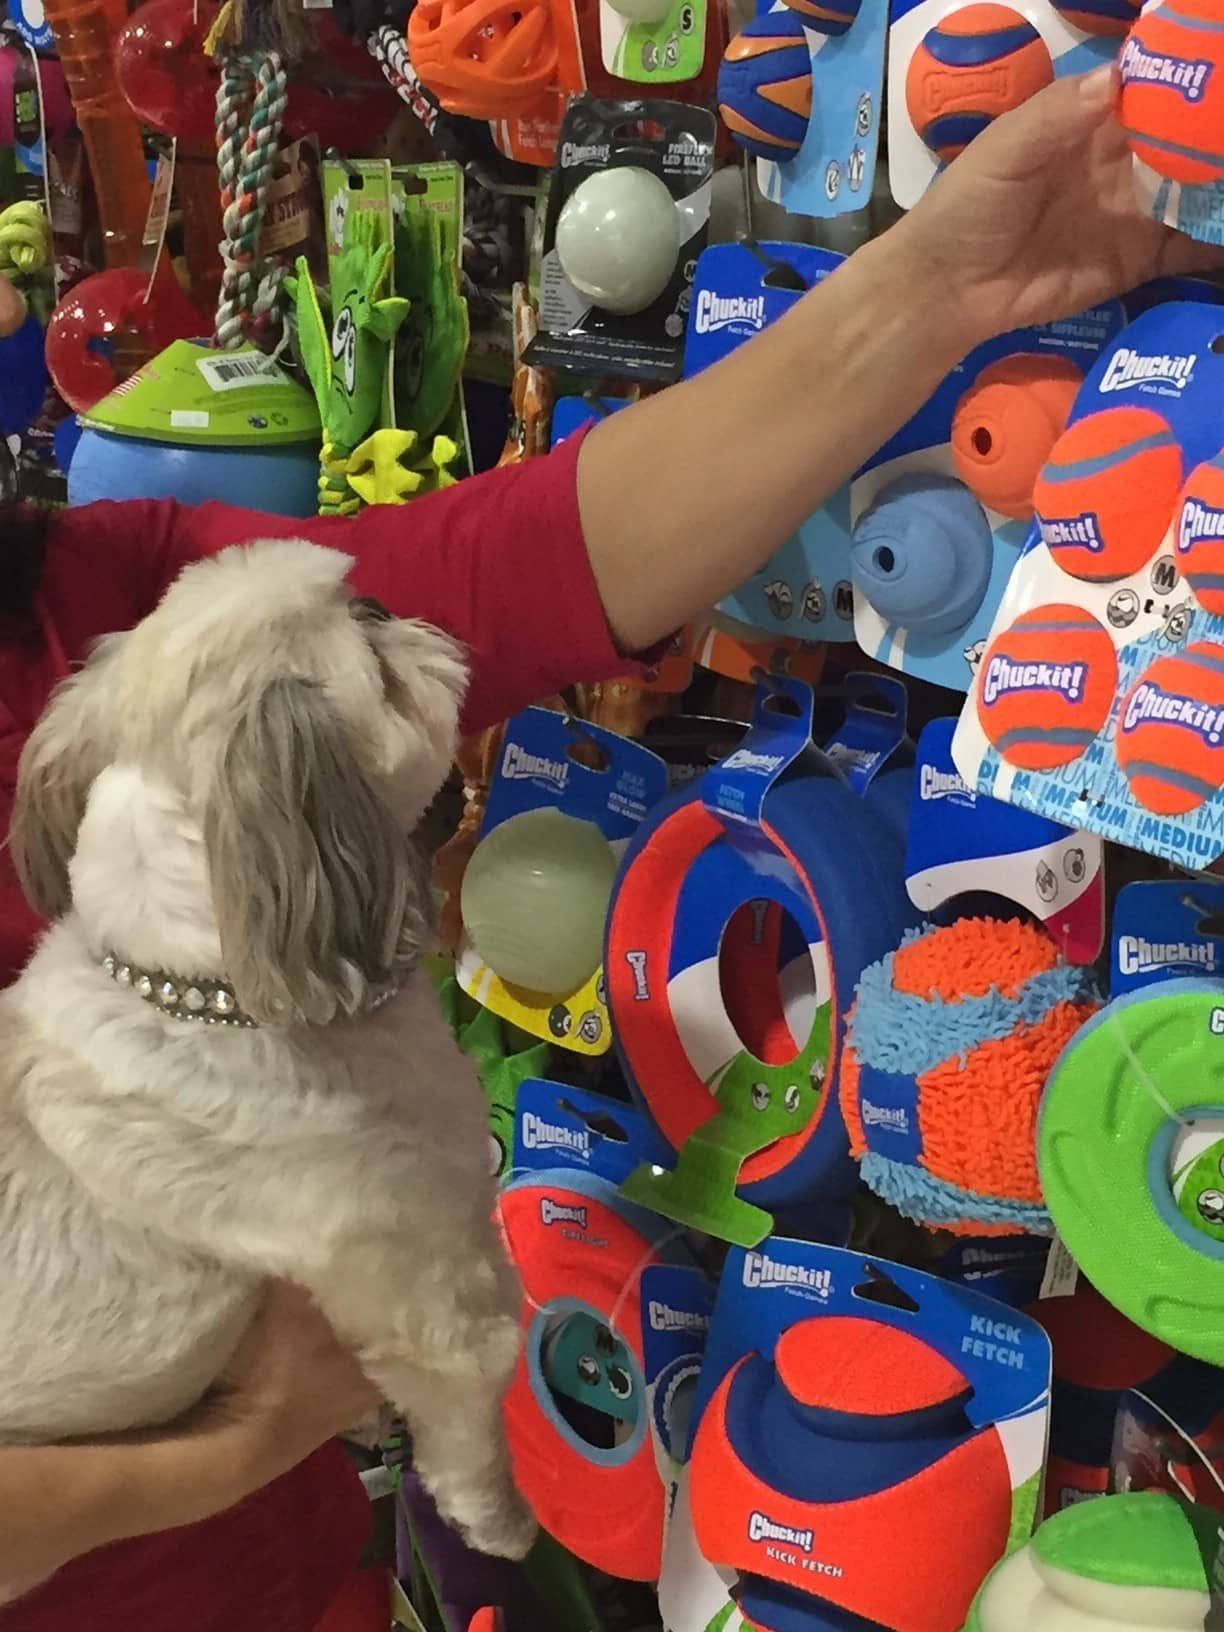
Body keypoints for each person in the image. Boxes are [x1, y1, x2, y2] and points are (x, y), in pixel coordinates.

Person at [0, 70, 1216, 1632]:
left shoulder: (93, 604)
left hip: (288, 1574)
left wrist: (942, 283)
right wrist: (228, 1443)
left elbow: (525, 563)